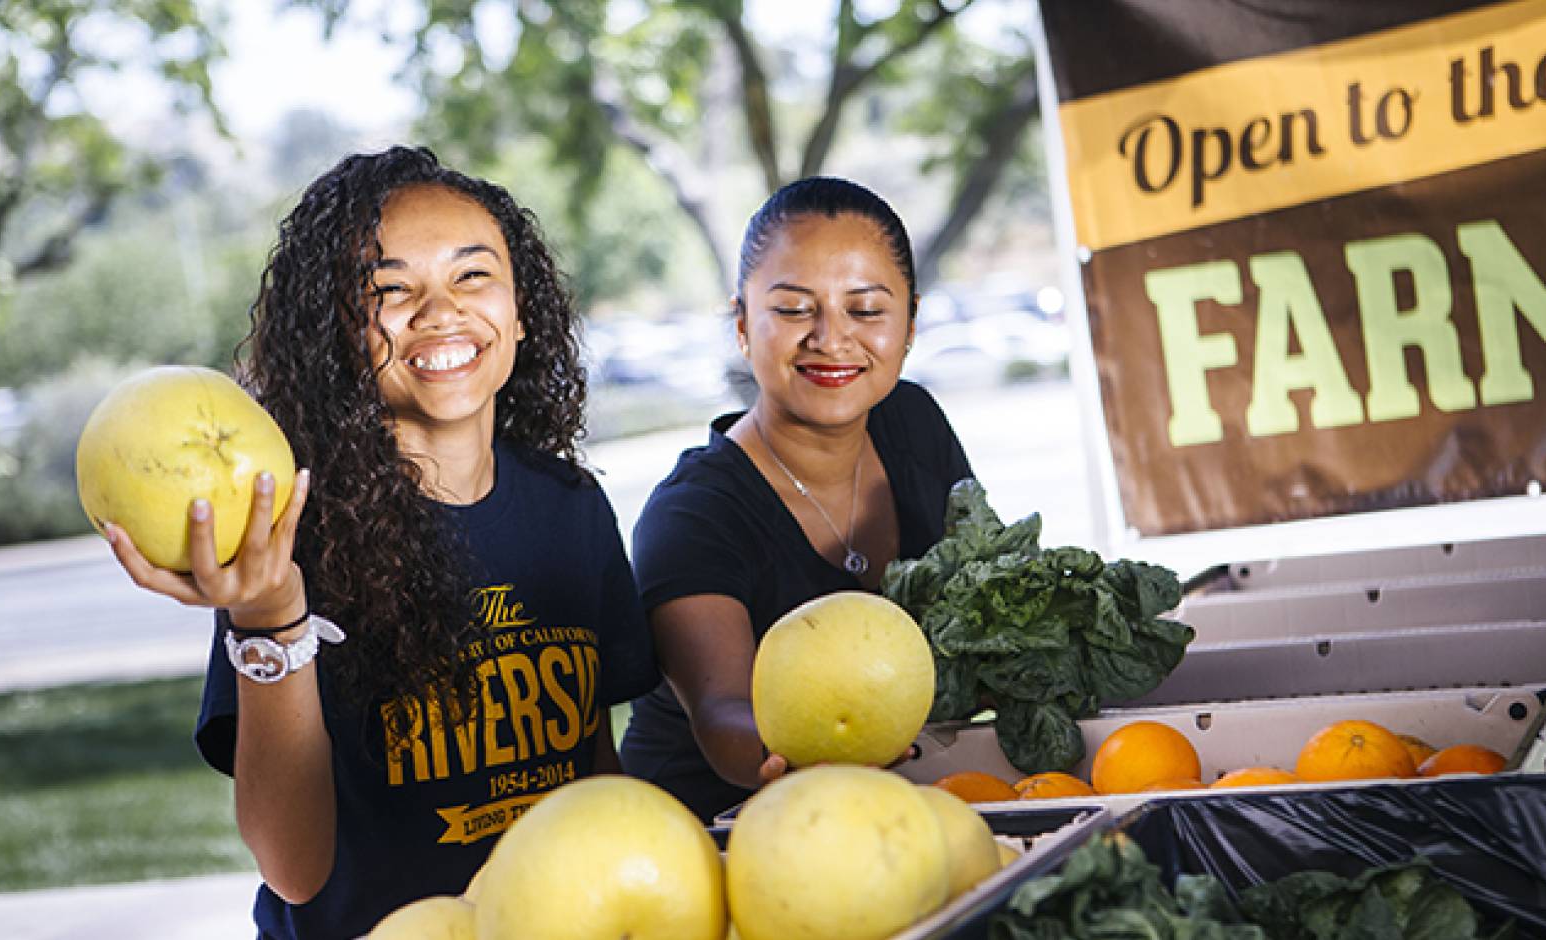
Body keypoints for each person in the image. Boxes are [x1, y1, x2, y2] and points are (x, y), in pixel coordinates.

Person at [103, 145, 657, 939]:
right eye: (389, 289)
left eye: (473, 275)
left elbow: (592, 775)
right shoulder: (289, 535)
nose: (439, 311)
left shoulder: (570, 507)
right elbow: (294, 869)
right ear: (339, 333)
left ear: (521, 310)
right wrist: (271, 618)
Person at [618, 176, 974, 822]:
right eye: (792, 310)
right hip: (716, 838)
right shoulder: (691, 515)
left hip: (880, 813)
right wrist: (821, 746)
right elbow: (723, 714)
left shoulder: (914, 422)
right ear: (742, 324)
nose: (831, 339)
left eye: (865, 310)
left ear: (910, 322)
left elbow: (978, 596)